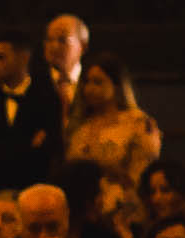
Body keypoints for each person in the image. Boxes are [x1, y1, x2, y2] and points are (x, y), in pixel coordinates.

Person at [0, 29, 62, 214]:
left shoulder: (46, 98)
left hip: (34, 196)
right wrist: (26, 144)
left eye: (0, 57)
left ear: (23, 57)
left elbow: (48, 151)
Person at [64, 51, 160, 187]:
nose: (89, 89)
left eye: (97, 82)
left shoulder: (137, 122)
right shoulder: (82, 124)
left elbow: (143, 174)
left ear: (117, 85)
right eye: (86, 82)